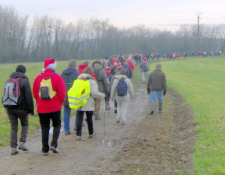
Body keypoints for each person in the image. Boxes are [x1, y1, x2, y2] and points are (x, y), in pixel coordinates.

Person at [33, 58, 66, 156]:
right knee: (56, 125)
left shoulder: (38, 77)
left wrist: (39, 100)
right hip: (55, 106)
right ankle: (54, 144)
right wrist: (59, 102)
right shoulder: (57, 77)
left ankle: (44, 149)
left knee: (44, 127)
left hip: (42, 108)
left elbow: (34, 92)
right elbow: (62, 92)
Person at [3, 65, 34, 155]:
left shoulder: (9, 80)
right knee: (24, 124)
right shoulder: (25, 80)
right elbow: (29, 97)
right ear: (24, 72)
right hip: (21, 108)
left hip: (9, 107)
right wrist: (31, 110)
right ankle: (22, 143)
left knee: (13, 126)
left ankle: (13, 147)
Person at [76, 66, 105, 141]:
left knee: (79, 118)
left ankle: (78, 135)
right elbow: (94, 93)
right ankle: (90, 133)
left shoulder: (78, 79)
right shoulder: (92, 81)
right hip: (88, 101)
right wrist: (102, 95)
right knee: (89, 118)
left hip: (79, 101)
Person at [61, 59, 79, 135]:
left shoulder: (63, 73)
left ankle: (66, 129)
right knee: (78, 111)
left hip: (65, 95)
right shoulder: (76, 74)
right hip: (74, 95)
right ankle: (76, 126)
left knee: (66, 112)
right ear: (75, 65)